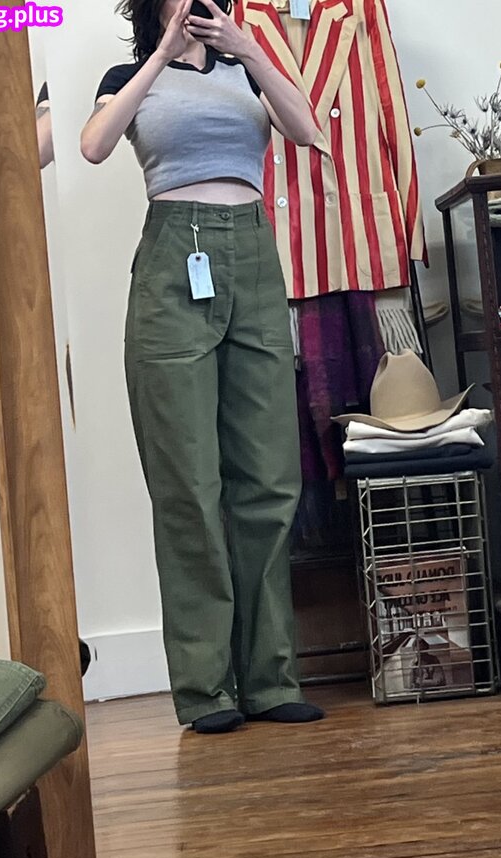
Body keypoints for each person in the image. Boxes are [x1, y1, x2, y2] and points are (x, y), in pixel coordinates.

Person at [80, 0, 323, 735]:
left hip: (252, 257)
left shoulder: (243, 71)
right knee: (187, 484)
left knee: (268, 479)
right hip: (172, 260)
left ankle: (270, 679)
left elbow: (307, 130)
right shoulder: (126, 75)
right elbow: (93, 145)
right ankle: (205, 687)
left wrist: (249, 50)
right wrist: (158, 56)